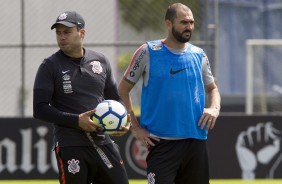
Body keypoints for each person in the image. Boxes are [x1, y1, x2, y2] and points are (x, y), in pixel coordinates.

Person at [118, 3, 221, 184]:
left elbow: (213, 89)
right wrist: (134, 127)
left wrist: (214, 108)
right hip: (161, 144)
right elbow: (123, 90)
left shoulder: (199, 55)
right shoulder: (147, 52)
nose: (188, 27)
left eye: (191, 22)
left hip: (195, 142)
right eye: (183, 22)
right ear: (168, 24)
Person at [33, 11, 129, 184]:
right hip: (71, 145)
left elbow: (115, 98)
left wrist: (122, 120)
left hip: (103, 142)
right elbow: (39, 109)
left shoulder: (100, 61)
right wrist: (77, 120)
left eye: (67, 32)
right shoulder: (49, 66)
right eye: (58, 33)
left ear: (82, 33)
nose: (62, 37)